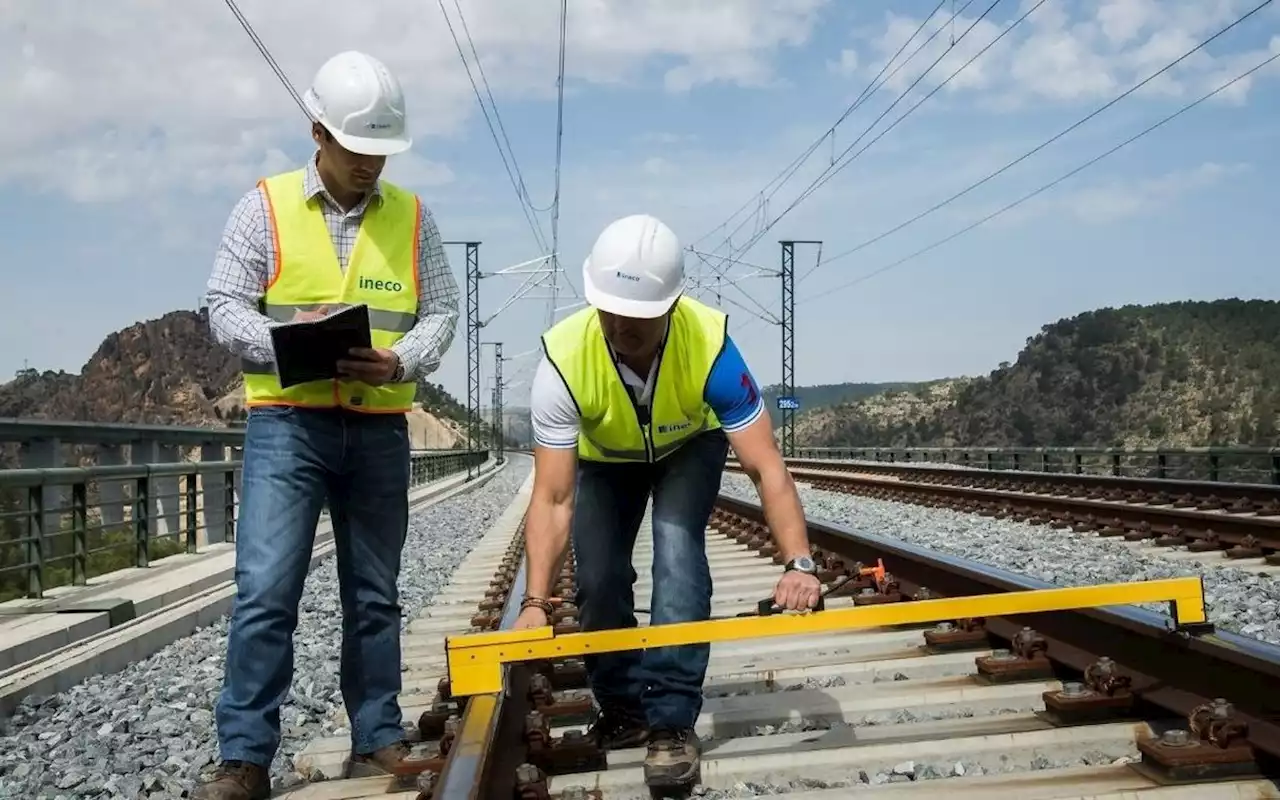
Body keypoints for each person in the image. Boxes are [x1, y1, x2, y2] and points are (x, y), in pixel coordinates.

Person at [197, 50, 459, 800]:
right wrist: (288, 340)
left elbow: (440, 310)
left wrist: (403, 359)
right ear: (318, 133)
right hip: (287, 428)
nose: (371, 164)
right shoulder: (264, 207)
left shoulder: (414, 219)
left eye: (382, 151)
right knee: (267, 592)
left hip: (378, 429)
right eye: (357, 148)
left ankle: (376, 736)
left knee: (374, 594)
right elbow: (223, 305)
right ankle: (243, 757)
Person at [518, 214, 821, 789]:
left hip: (688, 447)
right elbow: (554, 496)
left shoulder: (711, 348)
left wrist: (798, 563)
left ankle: (672, 720)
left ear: (669, 309)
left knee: (677, 547)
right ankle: (624, 710)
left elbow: (765, 466)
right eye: (608, 309)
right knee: (600, 577)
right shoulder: (562, 359)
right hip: (606, 458)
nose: (617, 325)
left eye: (635, 318)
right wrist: (536, 601)